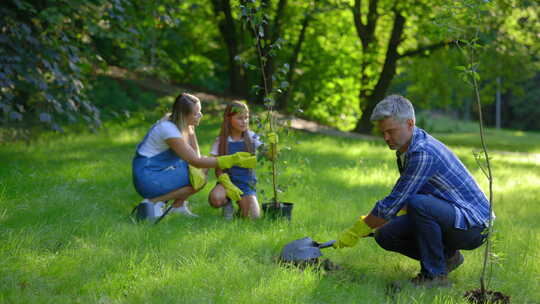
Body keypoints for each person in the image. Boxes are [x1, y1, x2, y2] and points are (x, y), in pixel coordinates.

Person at [333, 95, 492, 287]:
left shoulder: (422, 152)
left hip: (474, 224)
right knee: (385, 234)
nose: (385, 138)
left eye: (390, 131)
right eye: (383, 132)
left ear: (410, 123)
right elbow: (405, 201)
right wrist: (375, 223)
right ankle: (447, 259)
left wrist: (357, 230)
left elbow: (395, 203)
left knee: (419, 204)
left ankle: (434, 276)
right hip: (451, 215)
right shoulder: (408, 147)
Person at [132, 93, 256, 221]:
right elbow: (195, 161)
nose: (200, 115)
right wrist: (231, 160)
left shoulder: (184, 123)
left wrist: (191, 130)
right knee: (198, 176)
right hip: (147, 177)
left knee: (199, 173)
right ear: (184, 115)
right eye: (196, 113)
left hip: (159, 170)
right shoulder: (169, 130)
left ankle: (177, 206)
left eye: (200, 111)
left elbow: (196, 154)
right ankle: (153, 202)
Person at [208, 101, 276, 220]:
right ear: (228, 119)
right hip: (226, 183)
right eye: (240, 118)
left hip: (246, 185)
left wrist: (273, 144)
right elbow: (217, 168)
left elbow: (271, 157)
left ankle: (241, 209)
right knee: (216, 198)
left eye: (246, 117)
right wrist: (227, 184)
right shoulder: (221, 140)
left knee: (253, 217)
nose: (244, 121)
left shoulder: (252, 137)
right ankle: (227, 203)